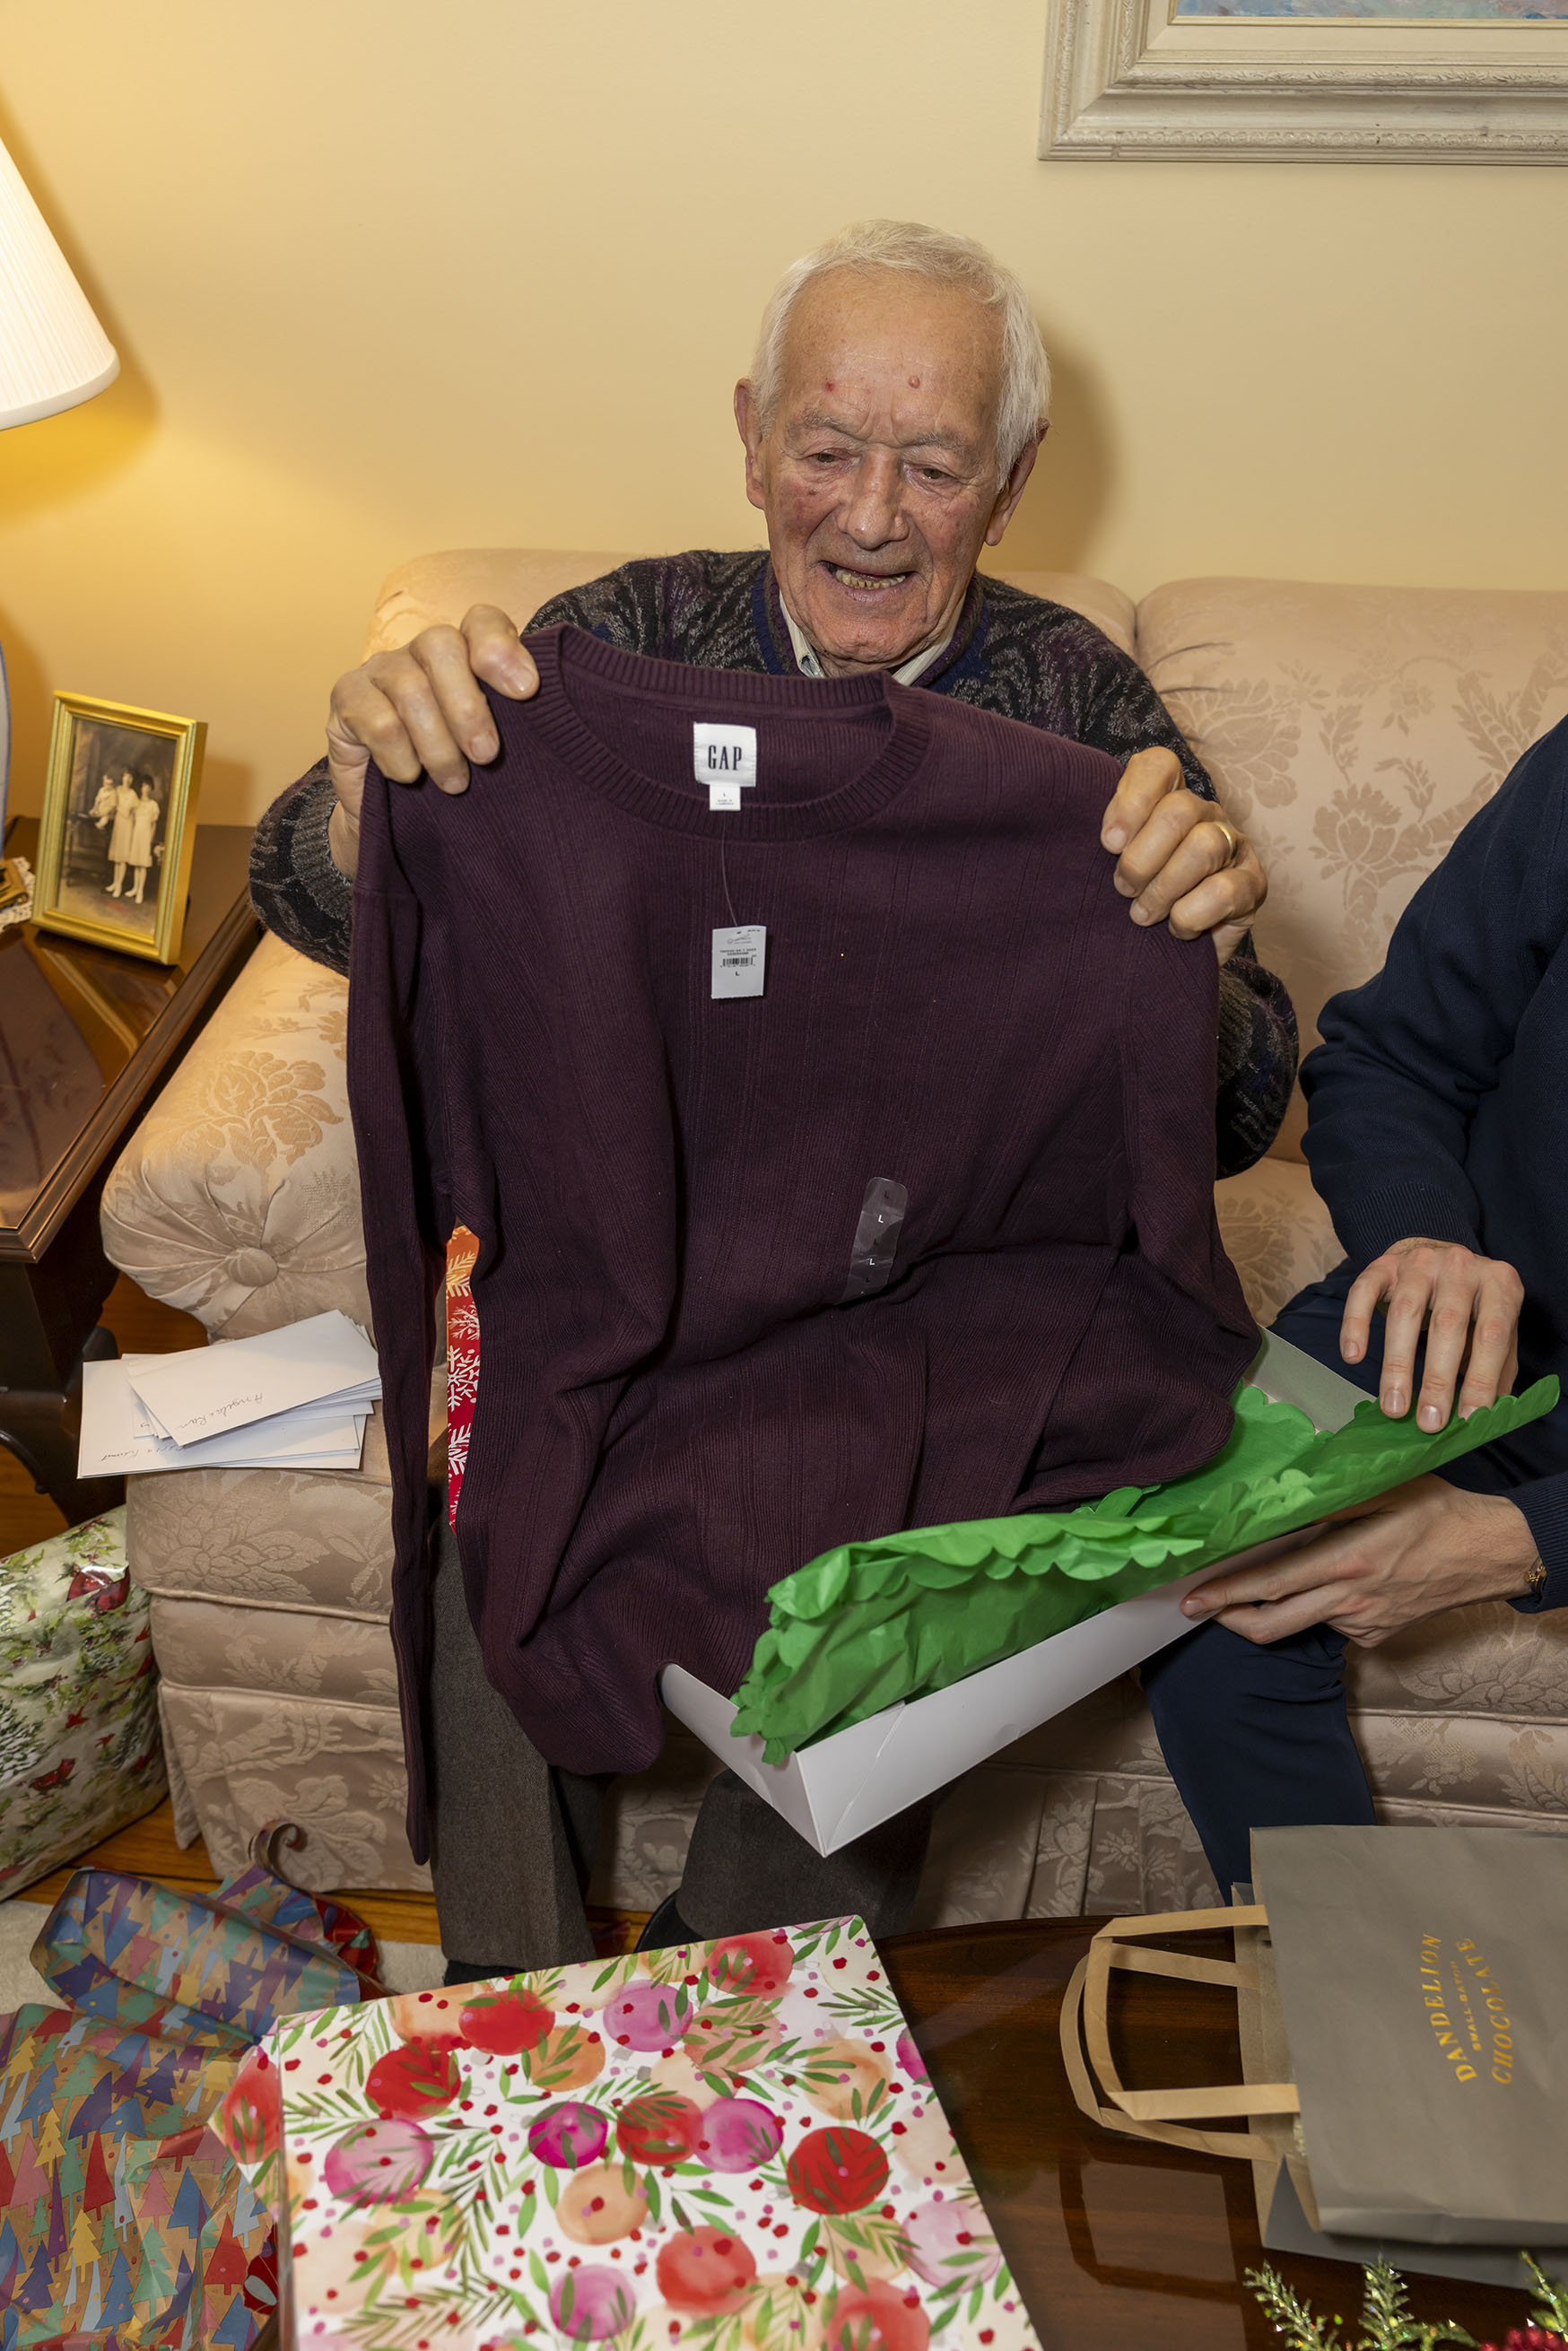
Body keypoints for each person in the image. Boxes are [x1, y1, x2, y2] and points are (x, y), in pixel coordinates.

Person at [248, 219, 1300, 1977]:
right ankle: (504, 2001)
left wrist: (1183, 948)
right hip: (637, 1261)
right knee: (493, 1479)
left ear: (1009, 481)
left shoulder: (1076, 709)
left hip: (923, 1300)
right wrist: (368, 801)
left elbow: (1244, 1095)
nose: (871, 514)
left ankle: (735, 1976)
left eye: (932, 465)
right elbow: (311, 894)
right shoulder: (605, 652)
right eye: (825, 449)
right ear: (749, 439)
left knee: (924, 1535)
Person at [1143, 716, 1568, 1896]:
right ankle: (1349, 1987)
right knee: (1208, 1581)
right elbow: (1393, 1058)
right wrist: (1423, 1235)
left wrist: (1525, 1537)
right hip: (1465, 1331)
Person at [102, 771, 137, 898]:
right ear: (122, 777)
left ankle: (119, 886)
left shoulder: (132, 794)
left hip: (127, 827)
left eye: (130, 777)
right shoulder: (117, 790)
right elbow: (110, 805)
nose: (127, 779)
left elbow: (126, 813)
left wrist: (116, 805)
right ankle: (115, 882)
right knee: (117, 857)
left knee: (122, 858)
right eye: (125, 776)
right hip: (118, 825)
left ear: (132, 780)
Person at [126, 777, 160, 906]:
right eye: (143, 786)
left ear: (151, 788)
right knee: (136, 863)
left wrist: (151, 839)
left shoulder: (153, 805)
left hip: (146, 835)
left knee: (143, 864)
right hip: (136, 834)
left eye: (147, 786)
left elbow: (153, 825)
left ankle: (140, 891)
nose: (144, 789)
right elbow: (132, 821)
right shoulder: (137, 803)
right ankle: (135, 888)